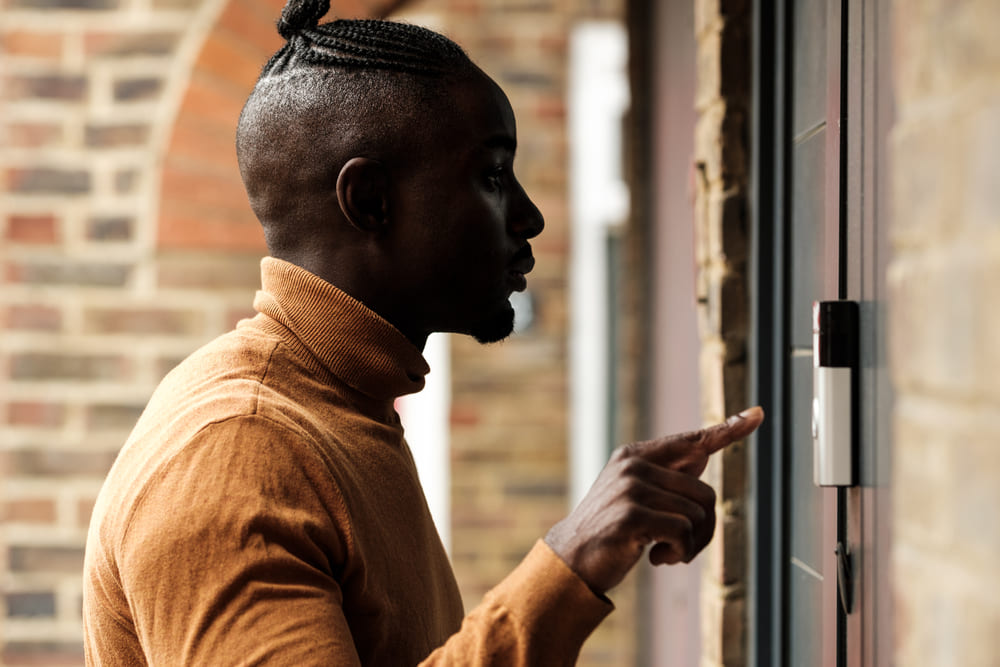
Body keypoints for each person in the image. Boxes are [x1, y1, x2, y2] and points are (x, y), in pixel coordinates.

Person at [81, 2, 764, 665]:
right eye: (492, 176)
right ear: (370, 201)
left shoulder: (340, 403)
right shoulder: (241, 450)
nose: (529, 216)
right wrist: (573, 562)